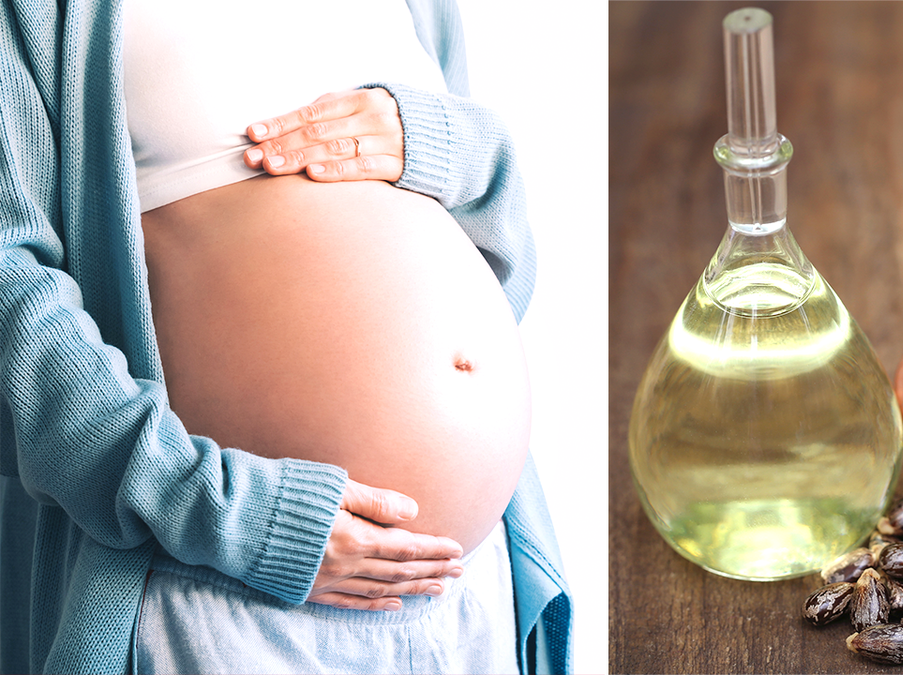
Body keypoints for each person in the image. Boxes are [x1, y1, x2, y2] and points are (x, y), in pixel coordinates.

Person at [0, 0, 571, 673]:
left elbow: (498, 244)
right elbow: (13, 287)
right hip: (225, 588)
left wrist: (448, 143)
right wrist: (220, 511)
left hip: (466, 593)